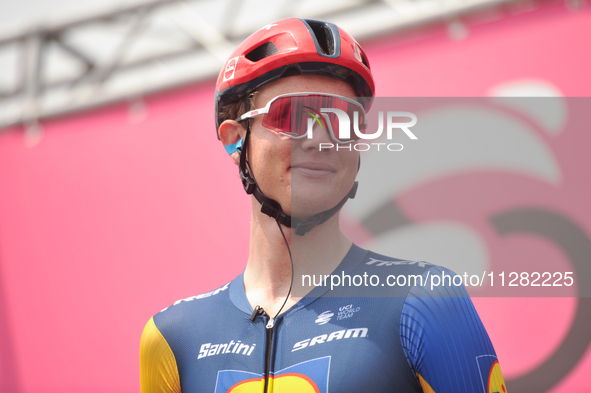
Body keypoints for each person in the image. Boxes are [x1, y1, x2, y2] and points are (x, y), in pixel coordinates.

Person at [140, 18, 507, 393]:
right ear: (236, 140)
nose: (320, 139)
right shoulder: (172, 337)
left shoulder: (424, 298)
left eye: (343, 121)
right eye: (292, 116)